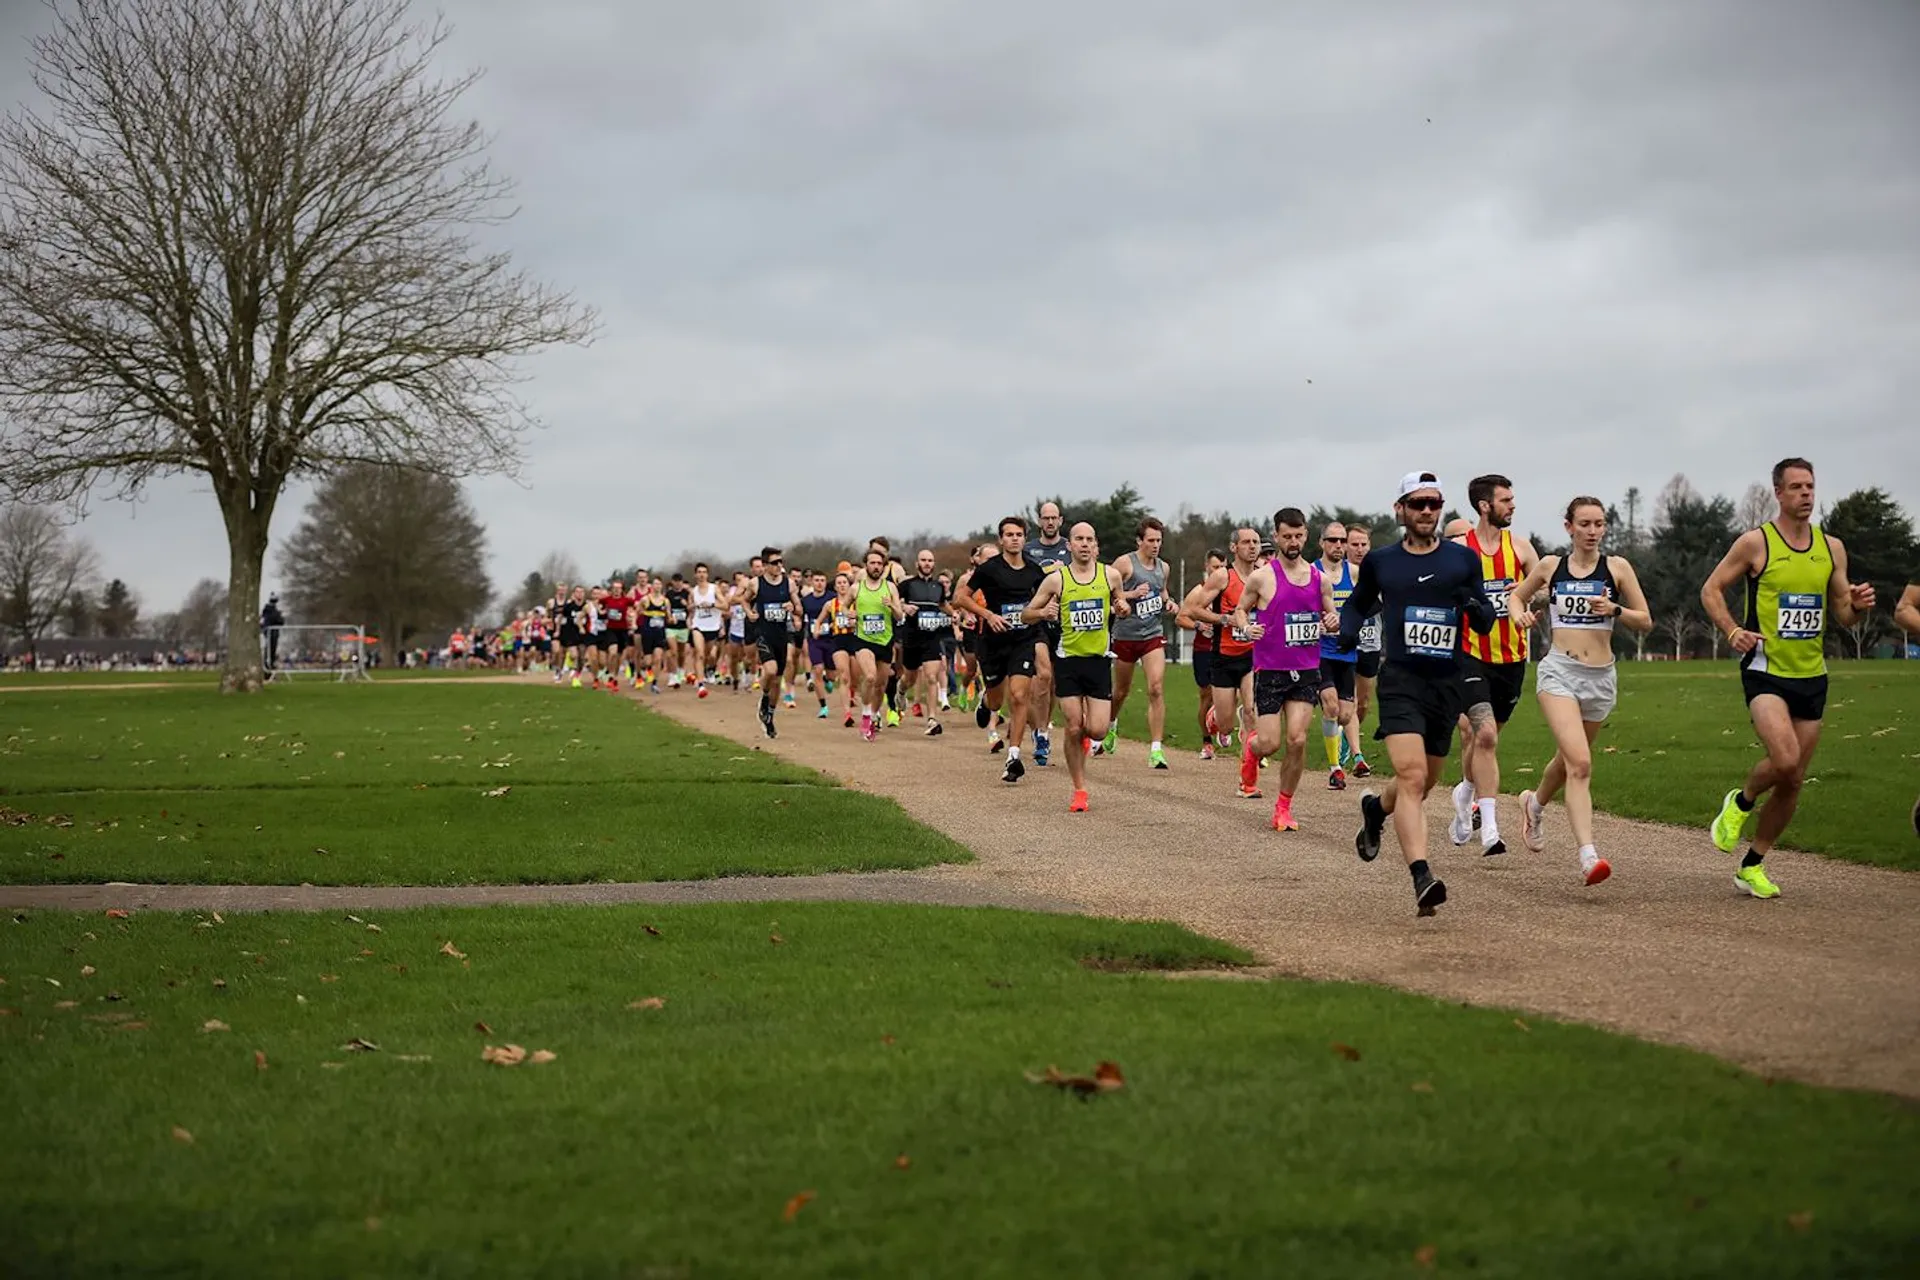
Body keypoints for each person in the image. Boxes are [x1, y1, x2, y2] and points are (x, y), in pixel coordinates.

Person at [1699, 458, 1875, 899]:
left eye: (1810, 486)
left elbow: (1842, 615)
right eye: (1796, 487)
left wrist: (1858, 605)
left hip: (1812, 674)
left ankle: (1752, 865)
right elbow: (1711, 589)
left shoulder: (1832, 547)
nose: (1806, 494)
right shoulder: (1756, 543)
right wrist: (1733, 631)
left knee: (1794, 779)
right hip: (1766, 671)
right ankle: (1739, 803)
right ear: (1778, 492)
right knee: (1784, 761)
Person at [1344, 472, 1498, 917]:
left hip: (1446, 684)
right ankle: (1421, 877)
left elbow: (1485, 616)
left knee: (1426, 781)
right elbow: (1358, 603)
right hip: (1401, 682)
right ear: (1401, 510)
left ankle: (1375, 810)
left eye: (1434, 503)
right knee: (1411, 777)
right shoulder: (1381, 562)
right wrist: (1349, 632)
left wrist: (1476, 609)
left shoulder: (1461, 560)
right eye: (1418, 504)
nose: (1427, 511)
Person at [1506, 498, 1655, 886]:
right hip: (1559, 672)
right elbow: (1516, 595)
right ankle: (1589, 856)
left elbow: (1646, 621)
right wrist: (1518, 615)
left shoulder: (1617, 568)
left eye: (1599, 524)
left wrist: (1615, 609)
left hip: (1601, 678)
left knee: (1568, 761)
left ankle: (1534, 804)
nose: (1592, 531)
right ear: (1569, 526)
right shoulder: (1551, 566)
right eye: (1585, 524)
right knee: (1581, 764)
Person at [1233, 509, 1340, 831]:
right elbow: (1240, 609)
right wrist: (1246, 627)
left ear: (1306, 536)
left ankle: (1283, 807)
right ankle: (1252, 751)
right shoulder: (1263, 576)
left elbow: (1331, 616)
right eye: (1287, 537)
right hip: (1271, 670)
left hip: (1306, 669)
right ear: (1277, 537)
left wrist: (1333, 621)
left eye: (1298, 536)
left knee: (1297, 739)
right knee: (1270, 743)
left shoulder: (1320, 579)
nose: (1293, 542)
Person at [1449, 474, 1539, 858]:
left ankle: (1465, 791)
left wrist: (1525, 597)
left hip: (1512, 658)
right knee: (1484, 736)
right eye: (1505, 500)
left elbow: (1547, 586)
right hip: (1469, 654)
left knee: (1483, 738)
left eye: (1512, 499)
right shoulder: (1456, 550)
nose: (1512, 505)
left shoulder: (1521, 549)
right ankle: (1490, 828)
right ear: (1485, 506)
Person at [1021, 523, 1131, 811]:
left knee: (1097, 731)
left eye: (1089, 539)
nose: (1084, 544)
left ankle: (1086, 739)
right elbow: (1025, 615)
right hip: (1068, 661)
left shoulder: (1111, 575)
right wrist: (1043, 612)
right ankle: (1080, 790)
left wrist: (1122, 608)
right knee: (1072, 726)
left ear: (1095, 544)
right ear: (1069, 545)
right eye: (1078, 539)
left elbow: (1121, 603)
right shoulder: (1057, 580)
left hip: (1098, 661)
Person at [953, 516, 1047, 783]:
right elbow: (960, 598)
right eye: (1009, 534)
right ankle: (984, 701)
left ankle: (1013, 757)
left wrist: (1044, 612)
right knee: (996, 701)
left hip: (1023, 640)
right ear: (1001, 539)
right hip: (993, 642)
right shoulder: (989, 569)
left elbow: (1044, 598)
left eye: (1019, 534)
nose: (1014, 538)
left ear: (1024, 538)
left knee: (1019, 696)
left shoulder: (1033, 570)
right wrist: (988, 615)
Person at [1184, 528, 1263, 795]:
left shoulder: (1264, 576)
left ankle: (1248, 782)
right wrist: (1223, 620)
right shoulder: (1222, 577)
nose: (1252, 547)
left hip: (1252, 655)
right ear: (1233, 547)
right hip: (1223, 655)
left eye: (1255, 542)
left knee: (1252, 712)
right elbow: (1193, 609)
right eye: (1246, 542)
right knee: (1227, 724)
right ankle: (1215, 717)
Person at [1106, 517, 1173, 769]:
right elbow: (1107, 591)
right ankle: (1111, 723)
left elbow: (1162, 591)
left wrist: (1169, 603)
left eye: (1159, 540)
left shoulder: (1163, 567)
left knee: (1155, 688)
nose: (1156, 545)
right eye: (1151, 540)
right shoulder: (1125, 563)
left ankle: (1156, 749)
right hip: (1125, 636)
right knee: (1120, 692)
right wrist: (1131, 595)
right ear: (1139, 541)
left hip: (1152, 635)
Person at [1024, 502, 1072, 766]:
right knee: (1043, 675)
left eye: (1054, 518)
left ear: (1060, 520)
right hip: (1039, 622)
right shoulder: (1029, 550)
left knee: (1053, 684)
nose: (1050, 522)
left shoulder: (1070, 548)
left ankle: (1042, 728)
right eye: (1046, 518)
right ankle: (1040, 733)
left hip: (1065, 623)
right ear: (1039, 521)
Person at [1314, 520, 1358, 790]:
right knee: (1330, 706)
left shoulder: (1354, 573)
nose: (1339, 545)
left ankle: (1337, 743)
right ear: (1322, 543)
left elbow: (1368, 605)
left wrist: (1349, 621)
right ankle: (1335, 769)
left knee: (1344, 715)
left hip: (1347, 651)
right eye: (1333, 540)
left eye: (1342, 540)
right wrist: (1313, 624)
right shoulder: (1310, 572)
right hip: (1319, 651)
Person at [849, 549, 908, 742]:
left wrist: (891, 605)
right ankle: (866, 715)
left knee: (881, 684)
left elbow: (900, 616)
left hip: (885, 640)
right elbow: (843, 605)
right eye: (872, 563)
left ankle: (874, 714)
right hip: (863, 639)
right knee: (871, 676)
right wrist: (848, 614)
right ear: (866, 565)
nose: (876, 566)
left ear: (884, 566)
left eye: (879, 564)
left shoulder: (890, 587)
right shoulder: (857, 588)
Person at [745, 547, 801, 739]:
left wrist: (793, 607)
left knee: (778, 679)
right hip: (763, 634)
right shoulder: (756, 584)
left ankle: (769, 715)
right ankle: (765, 696)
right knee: (769, 670)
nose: (779, 566)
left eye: (781, 562)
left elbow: (800, 609)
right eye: (775, 562)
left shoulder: (789, 584)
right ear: (766, 565)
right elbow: (744, 600)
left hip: (781, 636)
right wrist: (749, 612)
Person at [1176, 549, 1228, 759]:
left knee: (1230, 693)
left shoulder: (1231, 588)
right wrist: (1198, 625)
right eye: (1215, 567)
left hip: (1225, 648)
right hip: (1203, 650)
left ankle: (1223, 724)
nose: (1219, 571)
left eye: (1223, 567)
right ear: (1207, 567)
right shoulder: (1198, 592)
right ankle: (1206, 741)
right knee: (1206, 696)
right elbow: (1180, 618)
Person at [899, 549, 952, 737]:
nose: (927, 563)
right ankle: (902, 690)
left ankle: (931, 719)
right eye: (923, 560)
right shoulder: (907, 584)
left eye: (930, 560)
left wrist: (956, 615)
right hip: (912, 637)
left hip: (932, 637)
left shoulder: (939, 586)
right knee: (910, 678)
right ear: (917, 563)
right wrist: (904, 607)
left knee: (931, 677)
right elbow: (894, 602)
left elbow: (943, 604)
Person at [1344, 526, 1379, 778]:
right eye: (1354, 544)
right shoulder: (1337, 573)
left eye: (1363, 544)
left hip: (1370, 643)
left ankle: (1347, 737)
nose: (1359, 549)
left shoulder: (1380, 571)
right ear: (1345, 546)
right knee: (1350, 701)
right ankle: (1357, 754)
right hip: (1342, 647)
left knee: (1364, 704)